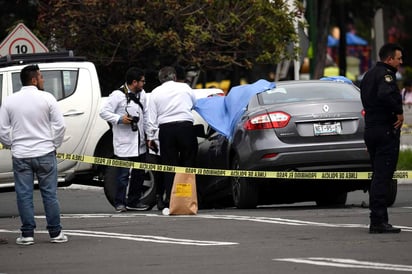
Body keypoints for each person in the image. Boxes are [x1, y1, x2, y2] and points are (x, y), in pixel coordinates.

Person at [0, 64, 68, 245]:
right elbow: (60, 126)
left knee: (24, 195)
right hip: (45, 152)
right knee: (50, 194)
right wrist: (54, 144)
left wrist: (11, 144)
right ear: (34, 80)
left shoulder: (9, 101)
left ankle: (27, 234)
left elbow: (3, 129)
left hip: (21, 154)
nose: (43, 79)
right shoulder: (47, 98)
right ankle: (55, 233)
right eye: (41, 77)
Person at [360, 43, 404, 234]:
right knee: (383, 177)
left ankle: (377, 217)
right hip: (385, 130)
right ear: (389, 60)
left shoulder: (368, 75)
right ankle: (378, 221)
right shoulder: (386, 75)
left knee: (378, 175)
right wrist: (398, 111)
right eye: (398, 58)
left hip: (371, 130)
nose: (401, 62)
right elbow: (385, 95)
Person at [100, 67, 150, 212]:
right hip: (124, 142)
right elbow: (103, 112)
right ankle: (119, 203)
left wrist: (149, 136)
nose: (144, 84)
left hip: (139, 141)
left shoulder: (143, 95)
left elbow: (146, 116)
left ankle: (134, 201)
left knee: (139, 173)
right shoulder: (117, 95)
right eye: (142, 81)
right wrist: (120, 119)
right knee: (123, 175)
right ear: (134, 82)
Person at [146, 66, 198, 207]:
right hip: (185, 127)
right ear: (174, 77)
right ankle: (187, 198)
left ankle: (171, 199)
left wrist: (150, 137)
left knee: (169, 165)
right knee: (188, 163)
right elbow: (194, 104)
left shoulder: (155, 93)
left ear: (160, 79)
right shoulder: (185, 88)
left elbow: (151, 118)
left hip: (166, 129)